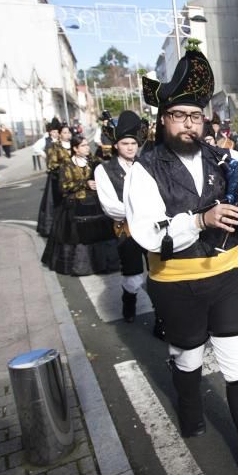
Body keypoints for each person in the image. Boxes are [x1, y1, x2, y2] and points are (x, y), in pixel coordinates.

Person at [125, 48, 238, 475]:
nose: (188, 124)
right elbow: (145, 232)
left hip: (226, 277)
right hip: (175, 284)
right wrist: (199, 220)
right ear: (163, 119)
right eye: (179, 116)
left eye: (195, 116)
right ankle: (190, 408)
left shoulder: (223, 157)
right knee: (188, 357)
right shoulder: (143, 170)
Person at [95, 111, 148, 323]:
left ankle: (162, 317)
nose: (130, 147)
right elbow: (110, 206)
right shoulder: (104, 169)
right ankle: (129, 302)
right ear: (116, 145)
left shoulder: (146, 165)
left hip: (152, 226)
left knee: (158, 271)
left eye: (133, 143)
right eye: (125, 143)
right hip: (126, 229)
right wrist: (141, 211)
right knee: (133, 275)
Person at [41, 135, 120, 276]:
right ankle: (83, 266)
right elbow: (63, 186)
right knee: (78, 235)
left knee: (102, 233)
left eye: (87, 145)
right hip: (75, 204)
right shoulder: (67, 164)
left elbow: (107, 167)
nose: (87, 147)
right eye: (83, 145)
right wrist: (84, 184)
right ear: (75, 149)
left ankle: (104, 264)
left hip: (95, 203)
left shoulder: (93, 161)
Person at [37, 120, 71, 237]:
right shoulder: (54, 146)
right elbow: (52, 164)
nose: (68, 135)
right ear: (60, 134)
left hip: (73, 179)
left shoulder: (74, 144)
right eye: (65, 132)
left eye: (69, 132)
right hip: (58, 179)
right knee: (56, 203)